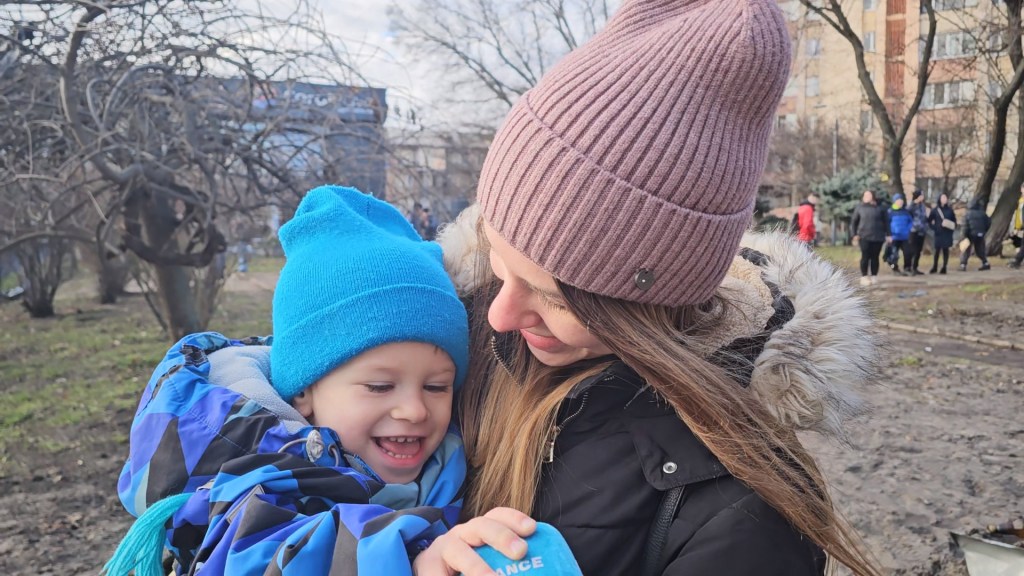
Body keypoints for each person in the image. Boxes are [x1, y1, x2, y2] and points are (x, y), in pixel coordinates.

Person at [414, 1, 883, 574]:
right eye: (498, 263)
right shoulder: (442, 346)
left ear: (649, 303)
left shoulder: (744, 514)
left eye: (557, 298)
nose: (500, 316)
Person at [106, 186, 473, 575]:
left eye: (436, 387)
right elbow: (262, 558)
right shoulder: (249, 475)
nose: (414, 410)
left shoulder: (449, 462)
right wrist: (407, 561)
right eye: (380, 386)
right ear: (303, 390)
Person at [851, 189, 891, 286]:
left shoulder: (880, 208)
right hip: (864, 236)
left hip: (878, 236)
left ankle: (874, 276)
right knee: (865, 256)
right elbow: (854, 222)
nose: (867, 197)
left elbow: (886, 222)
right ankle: (864, 276)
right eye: (865, 195)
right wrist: (854, 235)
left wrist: (889, 235)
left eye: (869, 195)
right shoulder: (859, 208)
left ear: (873, 196)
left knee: (875, 257)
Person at [958, 198, 992, 271]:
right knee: (980, 249)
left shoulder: (967, 214)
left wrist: (964, 236)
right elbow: (989, 223)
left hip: (970, 234)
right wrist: (983, 231)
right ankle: (985, 263)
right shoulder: (983, 213)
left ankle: (963, 265)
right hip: (980, 234)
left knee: (966, 250)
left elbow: (965, 226)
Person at [928, 193, 957, 274]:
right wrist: (935, 228)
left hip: (947, 233)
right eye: (943, 198)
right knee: (937, 250)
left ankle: (944, 267)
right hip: (939, 233)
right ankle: (935, 266)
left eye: (945, 198)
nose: (944, 199)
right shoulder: (935, 210)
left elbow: (954, 221)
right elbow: (929, 221)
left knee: (945, 250)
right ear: (939, 199)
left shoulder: (950, 210)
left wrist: (951, 227)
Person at [887, 193, 913, 275]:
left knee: (908, 253)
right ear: (895, 201)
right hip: (894, 237)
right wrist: (889, 234)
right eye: (898, 200)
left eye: (901, 200)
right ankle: (895, 268)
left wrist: (908, 229)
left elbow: (910, 222)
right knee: (894, 255)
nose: (900, 202)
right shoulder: (890, 212)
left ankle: (907, 268)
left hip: (904, 236)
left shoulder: (906, 211)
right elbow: (886, 223)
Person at [907, 190, 929, 275]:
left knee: (918, 250)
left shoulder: (922, 206)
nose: (923, 197)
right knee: (913, 250)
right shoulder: (912, 205)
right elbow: (908, 214)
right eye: (921, 195)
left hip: (922, 231)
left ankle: (915, 267)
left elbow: (924, 217)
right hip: (913, 231)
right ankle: (910, 267)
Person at [1008, 191, 1024, 269]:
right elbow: (1018, 216)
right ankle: (1017, 261)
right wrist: (1016, 227)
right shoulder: (1020, 201)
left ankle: (1017, 261)